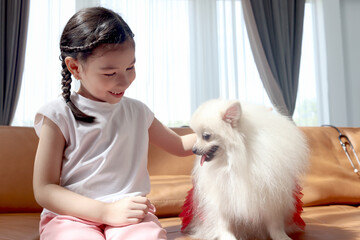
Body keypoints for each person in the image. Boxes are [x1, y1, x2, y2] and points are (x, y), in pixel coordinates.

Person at [33, 7, 196, 240]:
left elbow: (179, 145)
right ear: (75, 68)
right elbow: (44, 189)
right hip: (70, 217)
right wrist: (106, 212)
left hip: (130, 214)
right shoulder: (57, 114)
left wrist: (221, 134)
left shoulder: (137, 111)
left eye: (130, 67)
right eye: (110, 73)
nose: (125, 80)